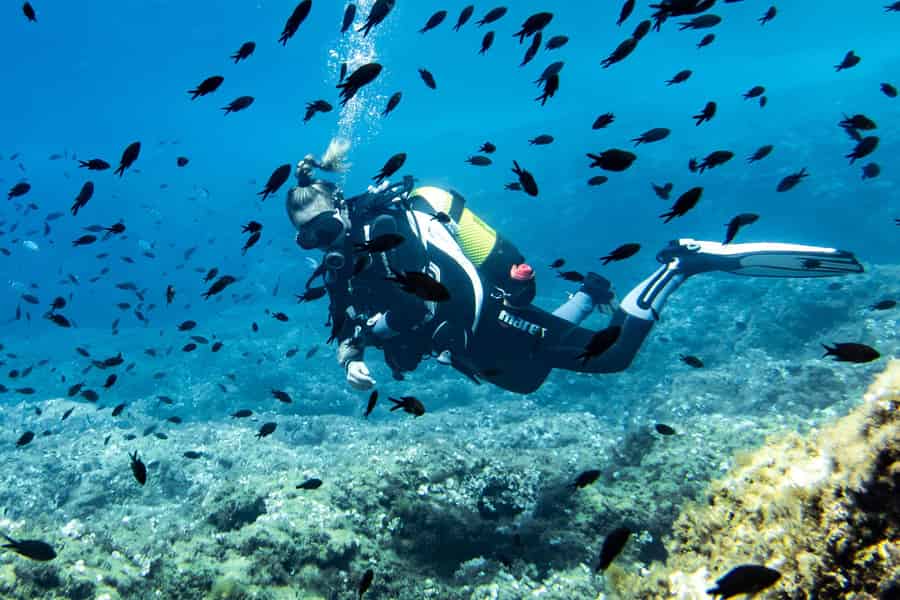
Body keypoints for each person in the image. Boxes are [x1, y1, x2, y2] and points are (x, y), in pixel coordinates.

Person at [287, 139, 864, 394]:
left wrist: (377, 332)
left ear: (341, 210)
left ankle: (685, 263)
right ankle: (589, 293)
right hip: (476, 344)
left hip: (485, 317)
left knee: (610, 358)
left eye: (325, 229)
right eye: (307, 240)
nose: (321, 245)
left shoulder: (390, 232)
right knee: (530, 377)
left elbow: (455, 298)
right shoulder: (341, 267)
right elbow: (343, 322)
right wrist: (350, 357)